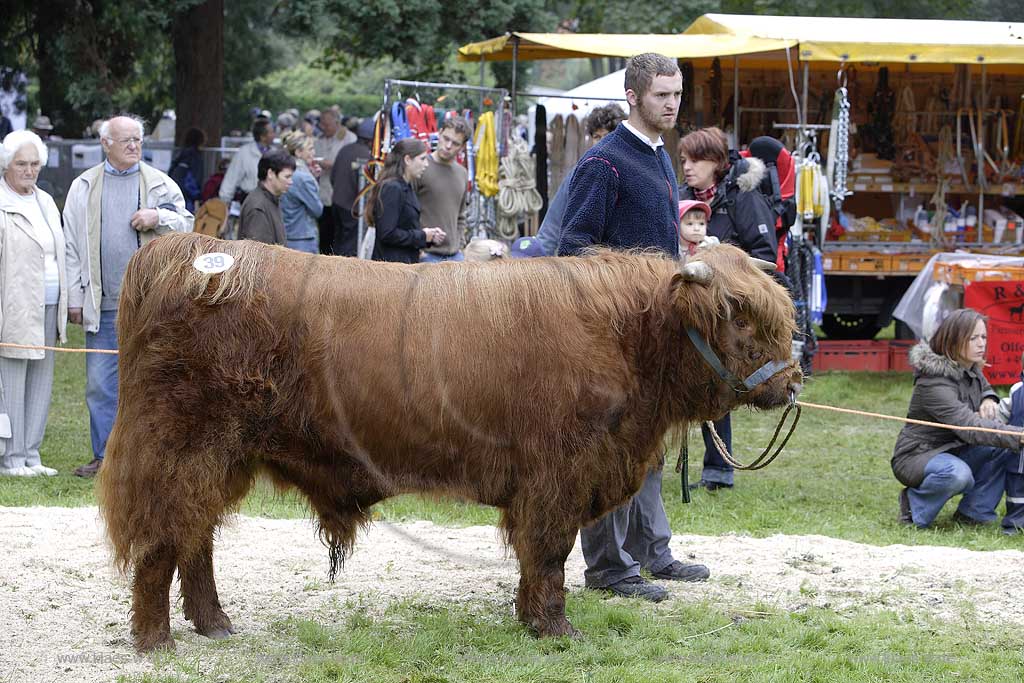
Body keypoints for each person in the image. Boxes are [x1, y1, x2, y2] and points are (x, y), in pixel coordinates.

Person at [558, 53, 709, 602]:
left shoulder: (659, 157)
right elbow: (573, 250)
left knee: (647, 446)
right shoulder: (606, 162)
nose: (672, 104)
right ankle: (609, 569)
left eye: (677, 93)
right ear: (633, 96)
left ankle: (652, 552)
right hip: (613, 336)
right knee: (612, 451)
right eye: (661, 95)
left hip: (653, 334)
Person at [64, 115, 193, 478]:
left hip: (150, 307)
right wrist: (75, 297)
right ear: (106, 144)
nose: (135, 146)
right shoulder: (84, 186)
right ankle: (105, 458)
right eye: (126, 141)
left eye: (138, 139)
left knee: (151, 381)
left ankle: (145, 459)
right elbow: (72, 246)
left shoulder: (159, 184)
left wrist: (158, 216)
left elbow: (187, 224)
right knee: (101, 384)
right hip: (103, 306)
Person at [679, 126, 780, 493]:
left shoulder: (744, 199)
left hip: (730, 313)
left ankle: (719, 469)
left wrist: (723, 258)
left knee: (717, 381)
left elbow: (766, 256)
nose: (688, 168)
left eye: (696, 160)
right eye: (684, 160)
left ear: (718, 163)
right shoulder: (679, 200)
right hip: (689, 307)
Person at [892, 309, 1024, 528]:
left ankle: (973, 513)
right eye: (973, 338)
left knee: (1003, 448)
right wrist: (1019, 435)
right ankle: (912, 509)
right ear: (952, 340)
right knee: (957, 474)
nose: (981, 343)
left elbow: (981, 385)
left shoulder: (967, 366)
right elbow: (968, 426)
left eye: (983, 337)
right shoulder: (933, 383)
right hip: (918, 455)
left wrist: (988, 397)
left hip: (956, 447)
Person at [0, 130, 68, 477]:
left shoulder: (43, 200)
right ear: (6, 166)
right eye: (21, 164)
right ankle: (10, 458)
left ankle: (31, 454)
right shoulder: (2, 202)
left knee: (41, 378)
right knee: (12, 379)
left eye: (35, 164)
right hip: (14, 304)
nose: (29, 171)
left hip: (50, 301)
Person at [536, 103, 626, 256]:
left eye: (608, 135)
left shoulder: (634, 174)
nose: (602, 142)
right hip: (584, 266)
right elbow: (551, 228)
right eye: (597, 136)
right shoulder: (580, 173)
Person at [364, 138, 445, 263]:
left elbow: (404, 227)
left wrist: (428, 236)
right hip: (391, 270)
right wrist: (423, 236)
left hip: (403, 265)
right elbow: (387, 233)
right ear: (407, 160)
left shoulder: (406, 187)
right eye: (422, 159)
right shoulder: (392, 188)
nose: (426, 164)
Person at [417, 116, 471, 263]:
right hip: (427, 254)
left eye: (455, 143)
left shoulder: (462, 173)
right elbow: (407, 211)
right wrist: (418, 249)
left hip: (455, 256)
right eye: (446, 138)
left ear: (462, 146)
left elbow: (461, 215)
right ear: (439, 133)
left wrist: (460, 245)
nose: (448, 146)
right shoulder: (421, 167)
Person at [329, 117, 374, 256]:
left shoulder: (345, 149)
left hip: (337, 203)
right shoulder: (366, 156)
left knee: (338, 242)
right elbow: (367, 189)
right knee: (350, 248)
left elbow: (332, 176)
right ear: (371, 140)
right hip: (353, 208)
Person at [238, 149, 295, 245]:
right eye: (287, 177)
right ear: (270, 174)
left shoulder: (270, 199)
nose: (291, 181)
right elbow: (260, 255)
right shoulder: (258, 207)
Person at [279, 132, 323, 253]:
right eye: (310, 149)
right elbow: (317, 210)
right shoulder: (303, 178)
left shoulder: (283, 170)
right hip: (302, 237)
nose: (313, 153)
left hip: (287, 233)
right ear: (298, 152)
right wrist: (312, 180)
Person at [218, 117, 274, 205]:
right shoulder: (244, 153)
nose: (274, 135)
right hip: (250, 202)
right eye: (271, 132)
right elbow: (232, 178)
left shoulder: (274, 153)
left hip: (271, 201)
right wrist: (224, 202)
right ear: (263, 136)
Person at [314, 109, 347, 254]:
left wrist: (333, 165)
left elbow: (349, 164)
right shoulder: (318, 140)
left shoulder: (348, 138)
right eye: (322, 125)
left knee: (339, 237)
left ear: (337, 123)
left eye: (327, 125)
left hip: (340, 196)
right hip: (322, 195)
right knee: (324, 236)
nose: (324, 128)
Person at [169, 127, 205, 212]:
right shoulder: (196, 157)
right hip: (187, 196)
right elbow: (195, 179)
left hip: (174, 192)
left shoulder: (179, 155)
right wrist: (198, 196)